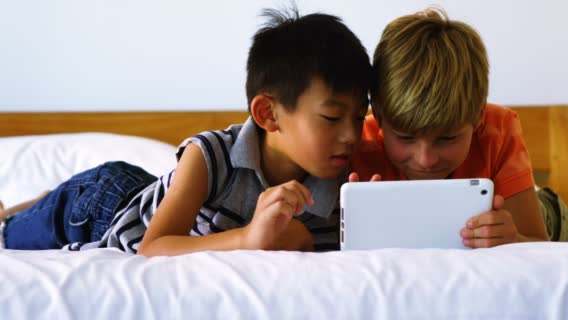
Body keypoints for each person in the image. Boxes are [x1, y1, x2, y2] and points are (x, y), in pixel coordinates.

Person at [0, 7, 372, 255]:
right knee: (13, 234)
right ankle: (29, 204)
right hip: (103, 204)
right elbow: (151, 247)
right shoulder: (210, 156)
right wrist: (248, 238)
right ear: (268, 114)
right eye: (331, 117)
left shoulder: (339, 186)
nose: (351, 135)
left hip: (152, 192)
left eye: (359, 117)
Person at [350, 7, 568, 247]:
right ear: (380, 118)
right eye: (406, 138)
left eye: (447, 139)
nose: (425, 160)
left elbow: (537, 242)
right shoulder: (357, 144)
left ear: (478, 117)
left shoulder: (498, 128)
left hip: (546, 222)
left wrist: (514, 240)